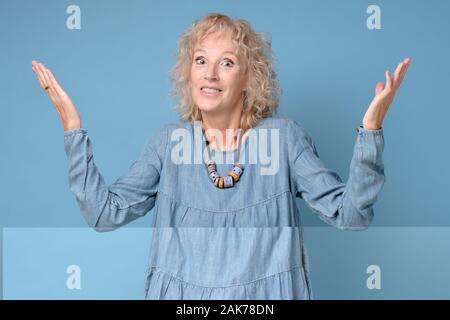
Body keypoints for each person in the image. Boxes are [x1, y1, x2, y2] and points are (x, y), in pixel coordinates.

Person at [31, 13, 411, 299]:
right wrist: (72, 127)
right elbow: (103, 214)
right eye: (200, 60)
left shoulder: (282, 139)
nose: (210, 74)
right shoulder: (168, 143)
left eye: (226, 63)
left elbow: (352, 216)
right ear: (188, 72)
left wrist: (371, 130)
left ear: (250, 78)